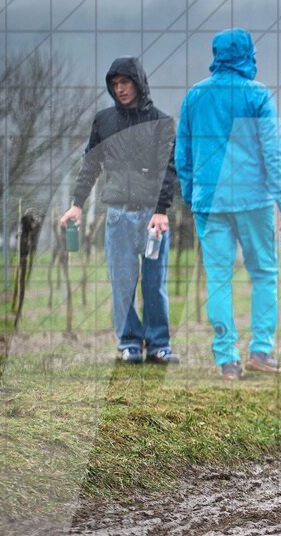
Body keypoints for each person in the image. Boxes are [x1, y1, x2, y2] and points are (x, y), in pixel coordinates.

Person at [176, 28, 281, 381]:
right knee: (264, 274)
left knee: (218, 278)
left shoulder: (194, 96)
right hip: (252, 200)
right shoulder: (257, 95)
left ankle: (227, 360)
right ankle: (261, 351)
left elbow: (182, 155)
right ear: (248, 55)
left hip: (208, 200)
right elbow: (273, 154)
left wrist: (192, 195)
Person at [61, 56, 179, 364]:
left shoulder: (161, 121)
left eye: (125, 82)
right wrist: (77, 204)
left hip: (153, 217)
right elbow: (91, 164)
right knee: (122, 282)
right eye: (114, 84)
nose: (120, 89)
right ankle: (129, 342)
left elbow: (168, 168)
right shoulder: (103, 121)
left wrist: (161, 209)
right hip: (118, 215)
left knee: (155, 283)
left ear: (138, 82)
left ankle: (158, 345)